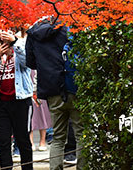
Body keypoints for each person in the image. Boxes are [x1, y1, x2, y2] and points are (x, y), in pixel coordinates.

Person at [26, 18, 84, 170]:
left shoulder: (33, 34)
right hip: (74, 86)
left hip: (51, 89)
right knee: (81, 134)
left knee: (58, 137)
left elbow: (30, 63)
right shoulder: (68, 29)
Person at [0, 28, 34, 170]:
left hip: (21, 100)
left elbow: (27, 62)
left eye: (5, 29)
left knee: (23, 139)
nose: (2, 33)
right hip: (1, 101)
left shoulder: (22, 44)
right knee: (4, 141)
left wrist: (15, 43)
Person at [29, 70, 51, 152]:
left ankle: (42, 141)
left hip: (40, 82)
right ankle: (30, 142)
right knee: (29, 114)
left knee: (42, 113)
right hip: (27, 80)